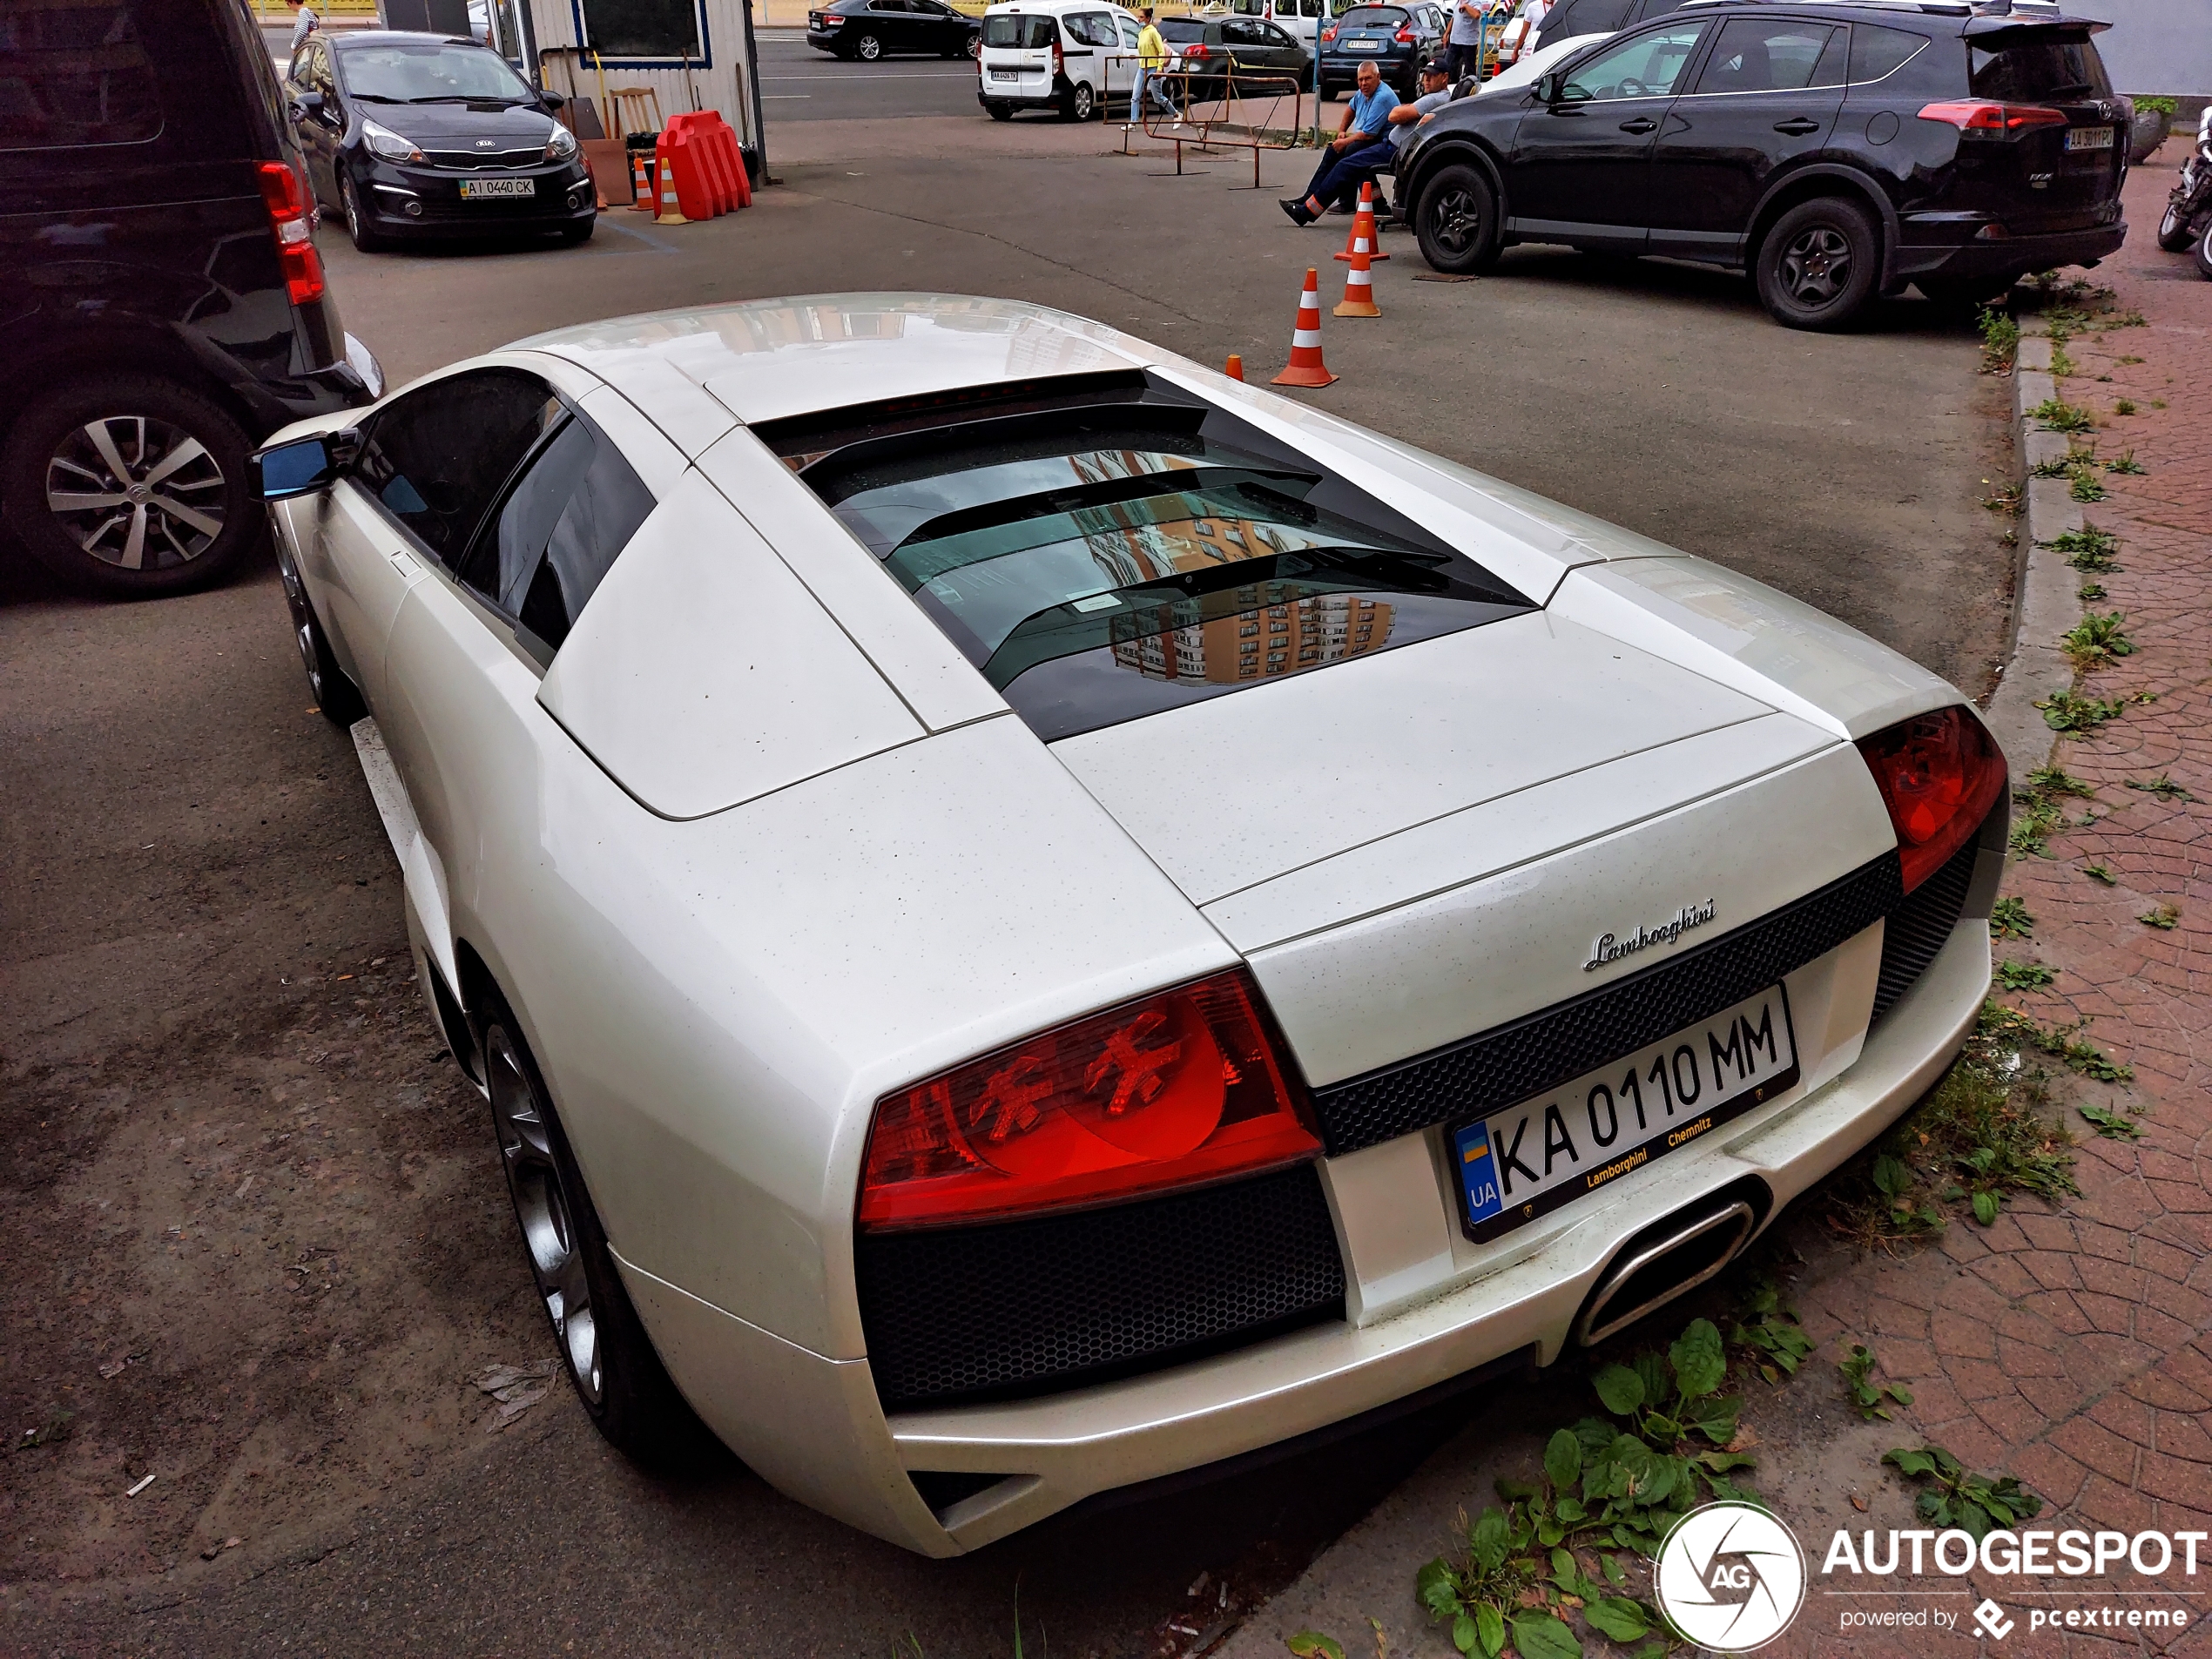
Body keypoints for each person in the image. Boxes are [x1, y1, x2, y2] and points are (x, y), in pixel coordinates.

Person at [1279, 58, 1395, 225]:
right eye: (1360, 79)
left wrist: (1345, 141)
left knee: (1348, 154)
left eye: (1368, 78)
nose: (1363, 83)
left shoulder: (1382, 97)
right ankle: (1310, 198)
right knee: (1336, 151)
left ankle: (1314, 208)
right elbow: (1351, 109)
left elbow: (1368, 135)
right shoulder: (1362, 93)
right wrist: (1342, 132)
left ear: (1378, 77)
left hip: (1382, 143)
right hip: (1373, 141)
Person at [1384, 57, 1458, 216]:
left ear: (1444, 78)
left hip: (1399, 150)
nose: (1426, 80)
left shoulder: (1434, 99)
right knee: (1352, 154)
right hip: (1403, 146)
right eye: (1425, 76)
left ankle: (1317, 206)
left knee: (1350, 161)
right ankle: (1375, 203)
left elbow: (1393, 116)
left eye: (1431, 76)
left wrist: (1406, 109)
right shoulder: (1437, 97)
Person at [1131, 7, 1175, 124]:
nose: (1138, 20)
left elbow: (1161, 50)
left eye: (1141, 17)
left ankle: (1175, 114)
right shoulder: (1141, 33)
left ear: (1148, 18)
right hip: (1142, 68)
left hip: (1153, 68)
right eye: (1138, 17)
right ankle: (1133, 122)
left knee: (1158, 98)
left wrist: (1159, 68)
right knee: (1135, 96)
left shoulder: (1153, 32)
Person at [1446, 0, 1486, 83]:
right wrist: (1446, 34)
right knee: (1448, 65)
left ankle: (1471, 88)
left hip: (1468, 42)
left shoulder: (1475, 2)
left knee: (1469, 69)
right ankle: (1452, 84)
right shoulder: (1458, 2)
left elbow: (1477, 15)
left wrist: (1466, 6)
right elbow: (1454, 18)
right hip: (1455, 40)